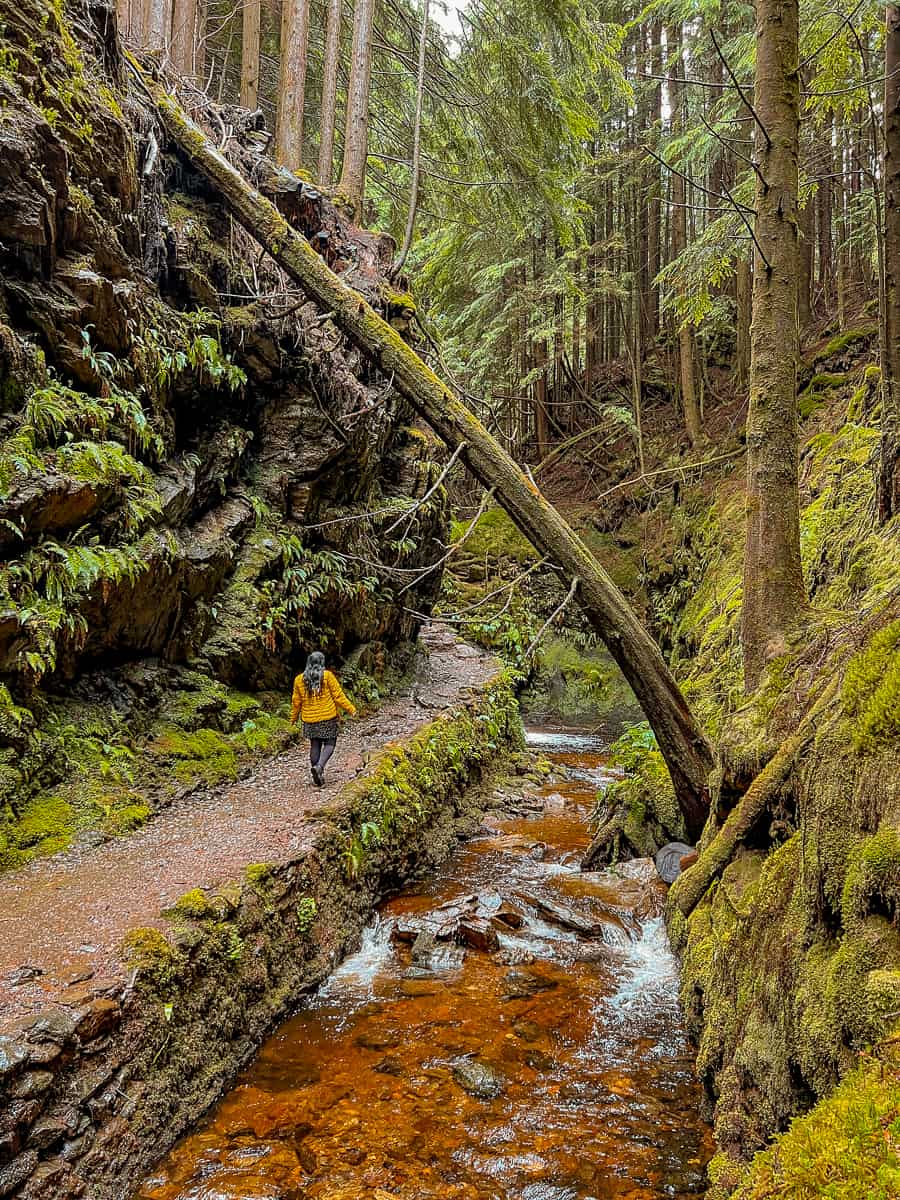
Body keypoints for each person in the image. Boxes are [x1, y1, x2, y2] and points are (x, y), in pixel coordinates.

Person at [289, 651, 356, 786]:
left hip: (309, 720)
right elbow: (338, 696)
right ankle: (319, 767)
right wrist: (351, 709)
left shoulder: (299, 680)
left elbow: (296, 702)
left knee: (315, 745)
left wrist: (294, 718)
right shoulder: (327, 676)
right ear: (321, 663)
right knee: (330, 744)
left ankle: (317, 774)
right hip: (328, 717)